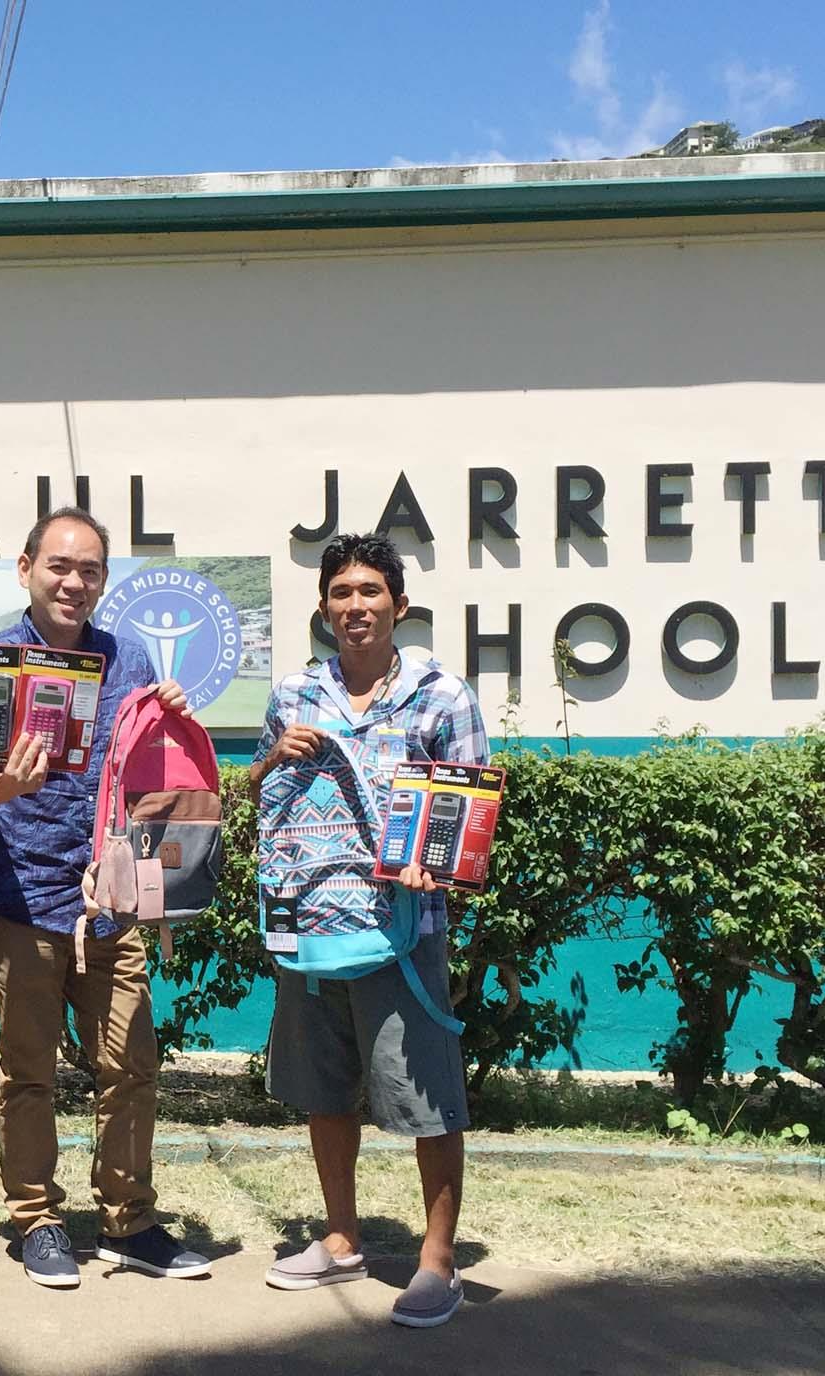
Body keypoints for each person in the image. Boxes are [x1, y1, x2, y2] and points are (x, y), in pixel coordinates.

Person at [0, 507, 211, 1290]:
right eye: (60, 566)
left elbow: (149, 764)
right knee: (27, 1070)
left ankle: (129, 1222)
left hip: (109, 897)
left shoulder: (124, 660)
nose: (74, 582)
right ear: (26, 568)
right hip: (21, 894)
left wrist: (171, 712)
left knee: (130, 1061)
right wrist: (4, 785)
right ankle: (36, 1221)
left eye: (90, 569)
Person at [250, 532, 488, 1328]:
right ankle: (343, 1239)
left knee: (428, 1101)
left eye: (370, 592)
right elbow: (259, 789)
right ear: (323, 607)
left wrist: (439, 869)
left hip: (402, 931)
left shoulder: (442, 695)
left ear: (400, 605)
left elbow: (469, 815)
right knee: (324, 1094)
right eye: (342, 593)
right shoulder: (293, 693)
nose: (356, 606)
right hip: (309, 924)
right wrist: (270, 756)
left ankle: (437, 1261)